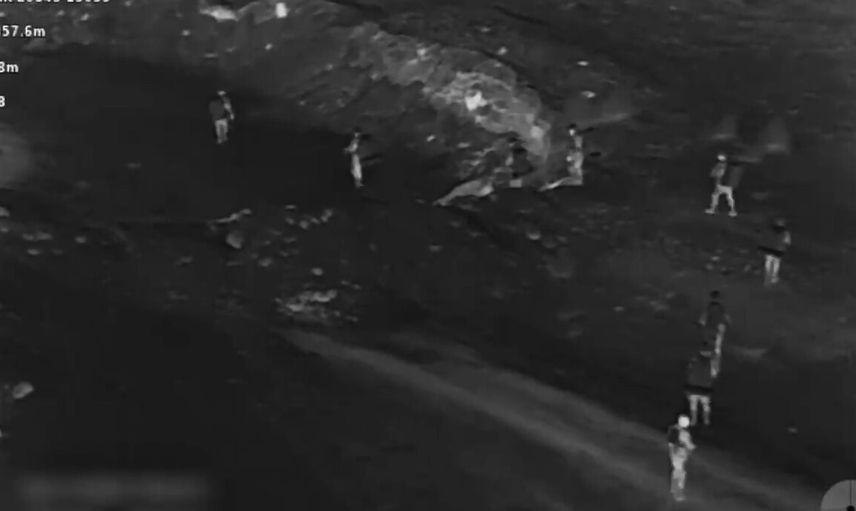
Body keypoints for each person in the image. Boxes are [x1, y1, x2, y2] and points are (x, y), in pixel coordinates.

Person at [540, 124, 585, 191]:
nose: (570, 132)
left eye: (571, 131)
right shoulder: (575, 140)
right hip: (575, 158)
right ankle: (550, 185)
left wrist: (572, 156)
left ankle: (550, 185)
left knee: (573, 175)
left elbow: (576, 149)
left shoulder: (576, 139)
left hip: (575, 157)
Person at [698, 290, 730, 376]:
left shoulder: (709, 307)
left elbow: (702, 320)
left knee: (709, 348)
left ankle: (708, 369)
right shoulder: (720, 308)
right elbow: (727, 319)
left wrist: (701, 326)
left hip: (710, 330)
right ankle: (713, 371)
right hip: (716, 331)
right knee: (715, 350)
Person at [667, 414, 696, 502]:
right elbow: (689, 445)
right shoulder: (684, 433)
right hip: (680, 454)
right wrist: (692, 447)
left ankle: (674, 489)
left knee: (677, 470)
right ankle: (677, 492)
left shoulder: (673, 429)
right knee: (680, 473)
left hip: (674, 453)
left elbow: (670, 443)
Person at [705, 152, 743, 217]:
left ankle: (713, 209)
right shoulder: (730, 166)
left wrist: (714, 174)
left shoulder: (719, 166)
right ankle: (732, 211)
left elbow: (713, 174)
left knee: (715, 196)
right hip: (729, 185)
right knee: (729, 197)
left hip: (720, 184)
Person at [759, 217, 792, 286]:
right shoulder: (785, 233)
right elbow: (787, 243)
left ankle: (767, 277)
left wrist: (762, 247)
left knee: (768, 262)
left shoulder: (770, 231)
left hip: (769, 249)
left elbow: (765, 239)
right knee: (776, 264)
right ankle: (773, 277)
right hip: (779, 251)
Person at [685, 353, 716, 426]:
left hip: (694, 388)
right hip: (705, 389)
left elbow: (689, 372)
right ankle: (706, 420)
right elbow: (713, 374)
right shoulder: (710, 362)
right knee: (705, 405)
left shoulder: (694, 360)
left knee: (693, 404)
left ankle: (694, 419)